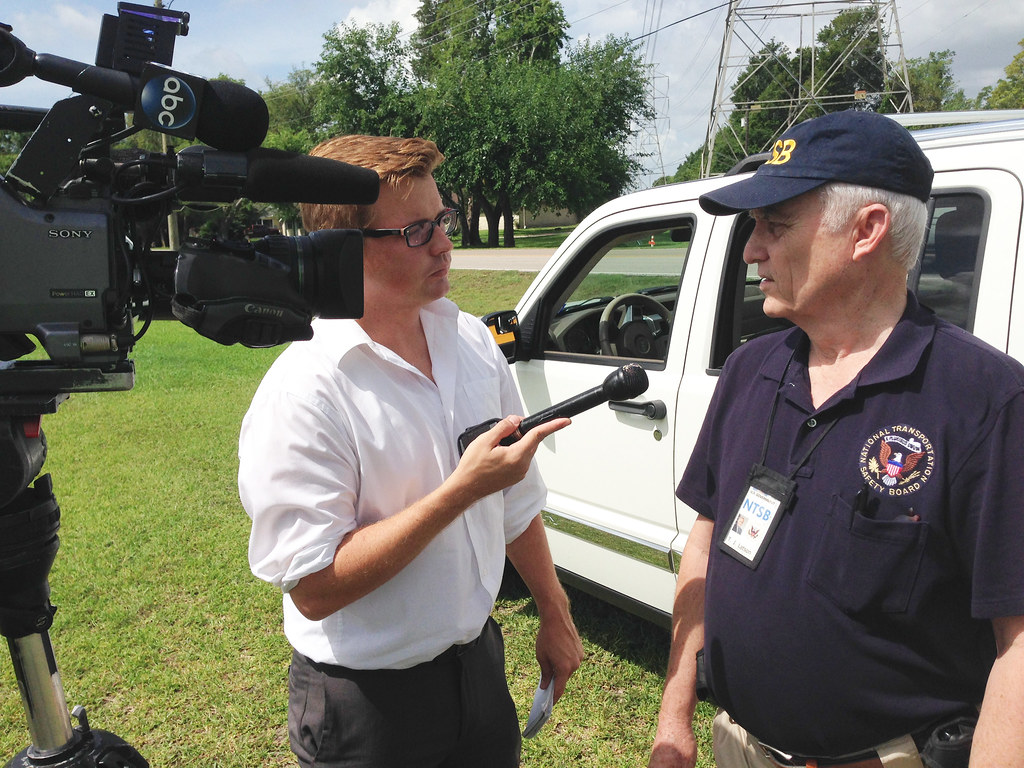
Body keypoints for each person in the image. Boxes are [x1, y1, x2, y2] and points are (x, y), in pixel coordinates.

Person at [649, 110, 1024, 768]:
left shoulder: (986, 401)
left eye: (775, 224)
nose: (751, 249)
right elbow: (707, 542)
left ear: (867, 230)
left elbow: (1018, 643)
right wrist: (674, 714)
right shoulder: (750, 371)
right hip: (740, 748)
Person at [238, 135, 583, 768]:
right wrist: (459, 490)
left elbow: (513, 501)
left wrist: (554, 610)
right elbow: (313, 586)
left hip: (479, 665)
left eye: (442, 219)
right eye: (418, 231)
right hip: (367, 707)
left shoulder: (472, 340)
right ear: (344, 249)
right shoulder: (306, 387)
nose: (446, 244)